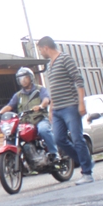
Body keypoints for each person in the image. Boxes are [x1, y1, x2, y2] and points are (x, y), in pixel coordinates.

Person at [36, 36, 94, 184]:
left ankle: (87, 173)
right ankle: (85, 160)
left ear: (45, 48)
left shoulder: (65, 59)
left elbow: (78, 80)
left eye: (40, 50)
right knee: (59, 139)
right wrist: (51, 109)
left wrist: (81, 103)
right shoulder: (50, 65)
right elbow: (54, 89)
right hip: (57, 110)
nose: (41, 52)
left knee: (77, 138)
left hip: (70, 107)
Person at [0, 67, 58, 161]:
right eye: (21, 78)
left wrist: (41, 106)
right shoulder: (18, 95)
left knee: (44, 130)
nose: (23, 80)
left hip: (39, 119)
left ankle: (54, 153)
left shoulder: (40, 89)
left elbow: (46, 99)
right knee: (11, 134)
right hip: (24, 122)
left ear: (30, 78)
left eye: (25, 77)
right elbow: (9, 106)